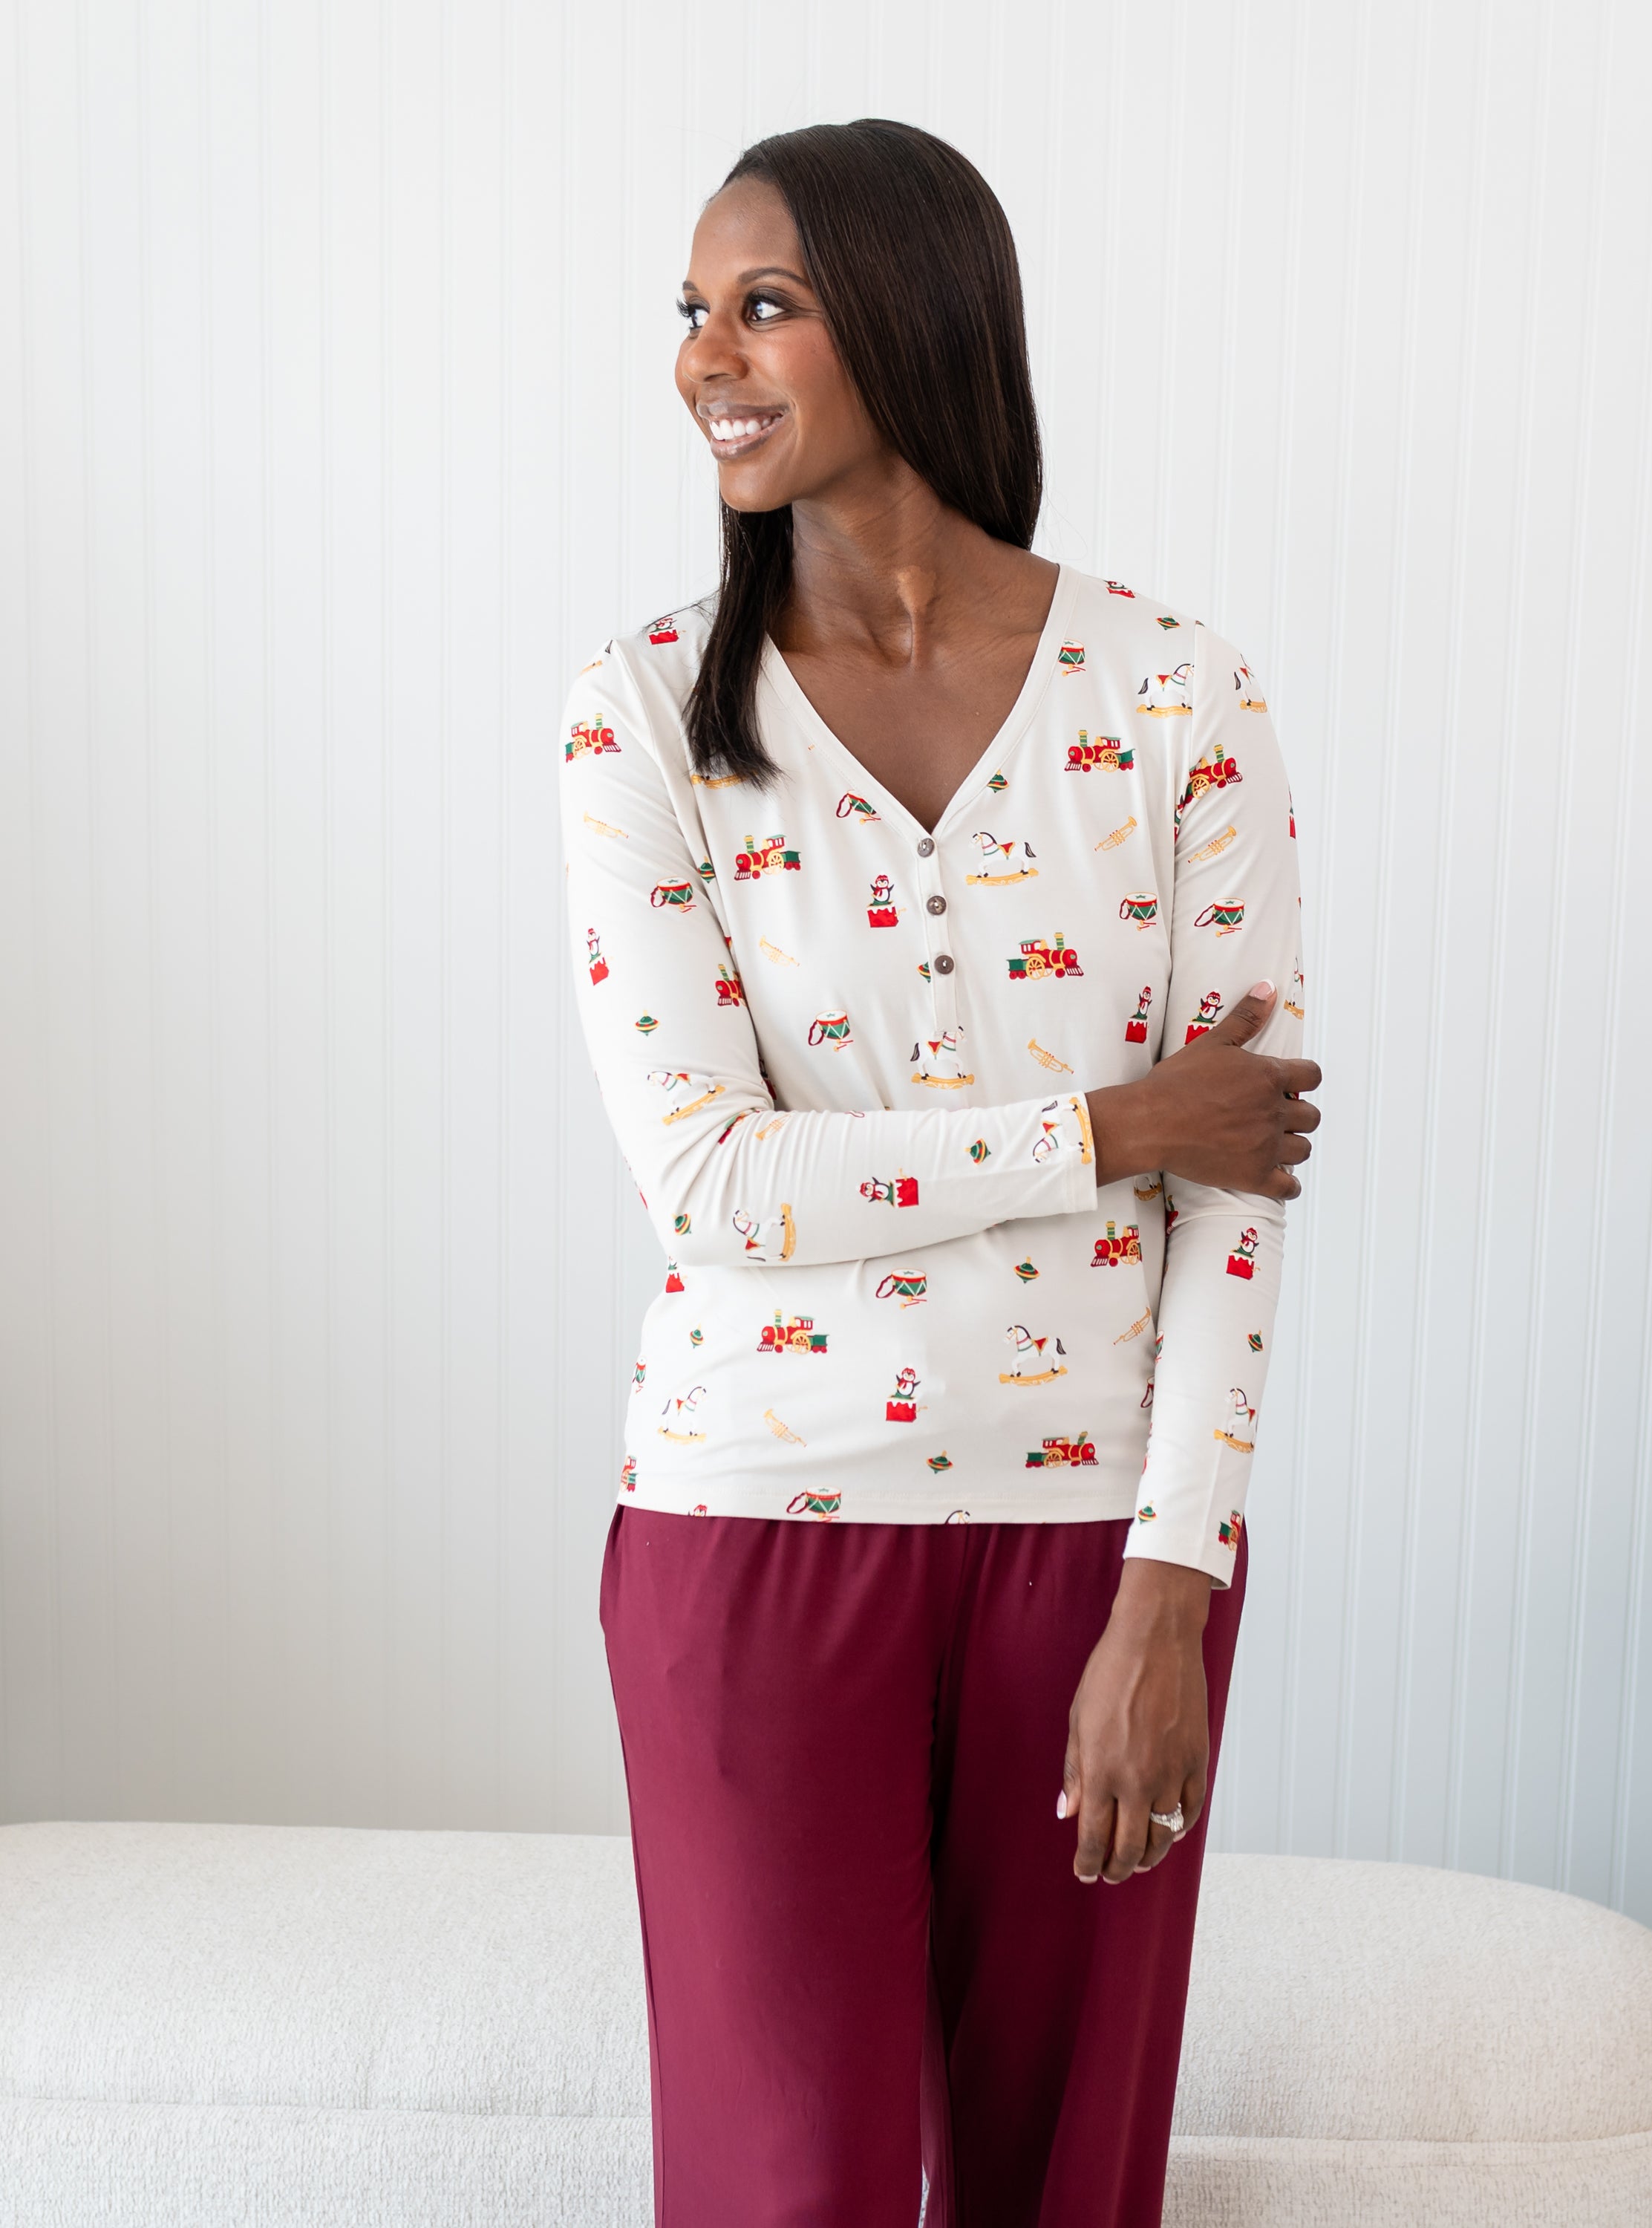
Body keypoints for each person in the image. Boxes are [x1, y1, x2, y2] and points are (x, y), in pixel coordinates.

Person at [558, 117, 1321, 2228]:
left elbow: (1238, 1178)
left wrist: (1176, 1580)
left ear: (914, 316)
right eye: (692, 312)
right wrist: (1100, 1131)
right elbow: (712, 1185)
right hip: (750, 1533)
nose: (707, 355)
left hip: (1097, 1552)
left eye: (763, 304)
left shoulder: (1175, 697)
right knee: (779, 2189)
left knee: (1063, 2184)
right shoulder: (642, 718)